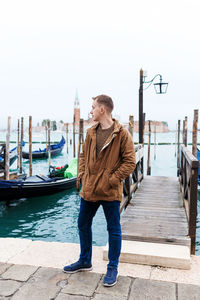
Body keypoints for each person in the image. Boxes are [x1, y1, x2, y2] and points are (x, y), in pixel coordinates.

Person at [63, 94, 136, 286]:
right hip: (89, 188)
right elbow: (83, 155)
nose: (91, 110)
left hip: (109, 190)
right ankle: (85, 260)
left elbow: (130, 162)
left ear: (102, 109)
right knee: (82, 223)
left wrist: (112, 179)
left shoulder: (122, 134)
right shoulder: (90, 132)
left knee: (113, 229)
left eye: (93, 107)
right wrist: (82, 175)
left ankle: (112, 268)